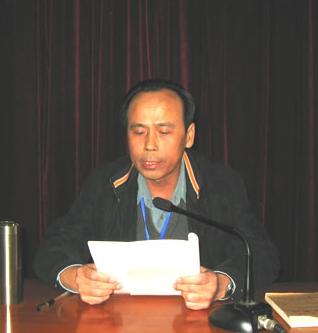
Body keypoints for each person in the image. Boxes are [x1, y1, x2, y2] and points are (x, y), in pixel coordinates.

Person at [34, 79, 279, 310]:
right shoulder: (105, 183)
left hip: (198, 324)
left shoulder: (220, 184)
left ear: (189, 136)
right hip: (119, 324)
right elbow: (53, 248)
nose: (150, 145)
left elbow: (261, 254)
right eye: (139, 132)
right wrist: (75, 278)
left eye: (164, 131)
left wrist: (220, 284)